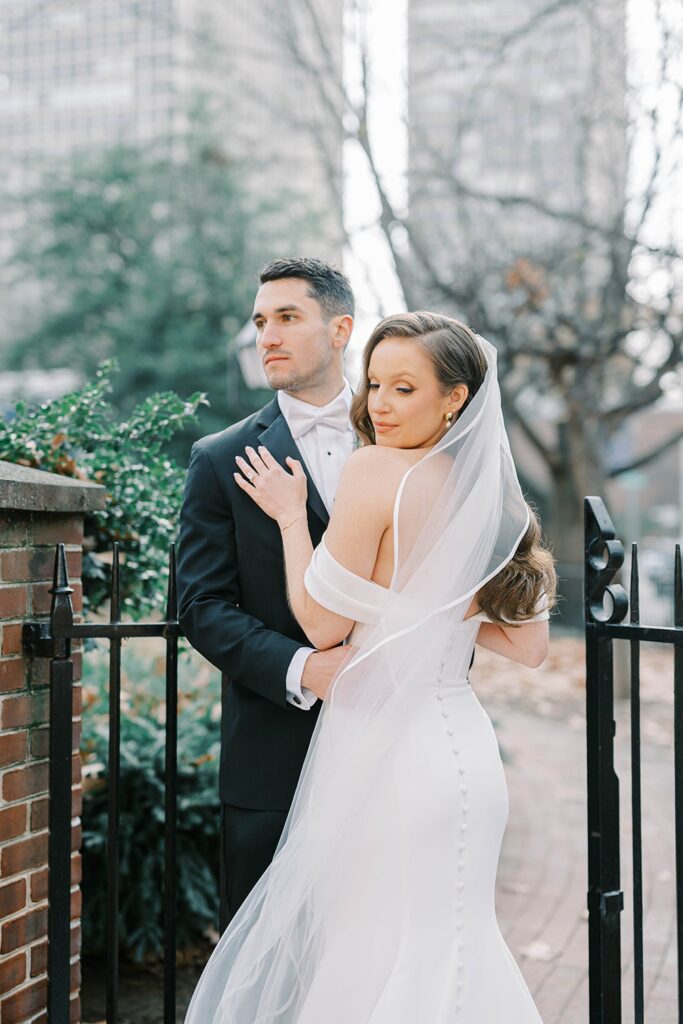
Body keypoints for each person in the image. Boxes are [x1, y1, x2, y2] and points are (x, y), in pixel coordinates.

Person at [184, 312, 557, 1023]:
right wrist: (425, 610)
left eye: (404, 389)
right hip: (465, 757)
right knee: (455, 941)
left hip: (387, 753)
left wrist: (294, 520)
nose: (379, 404)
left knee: (366, 947)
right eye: (376, 384)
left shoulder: (374, 469)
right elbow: (526, 646)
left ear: (454, 398)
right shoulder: (489, 496)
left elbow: (322, 626)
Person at [176, 257, 358, 923]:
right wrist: (306, 667)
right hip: (273, 759)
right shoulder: (220, 459)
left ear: (340, 330)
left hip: (393, 743)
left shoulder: (400, 439)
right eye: (259, 321)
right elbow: (200, 607)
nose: (267, 336)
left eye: (287, 318)